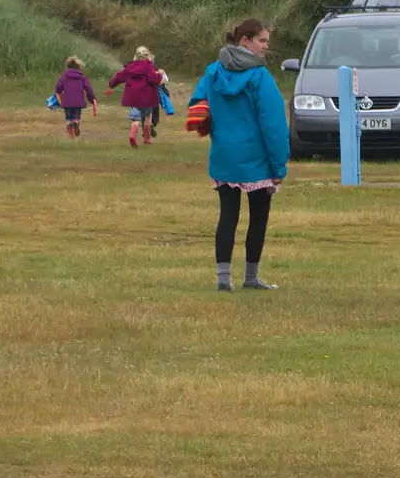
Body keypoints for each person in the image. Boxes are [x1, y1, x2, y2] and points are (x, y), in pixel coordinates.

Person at [188, 19, 290, 291]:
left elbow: (197, 106)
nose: (267, 46)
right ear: (245, 40)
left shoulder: (212, 72)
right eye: (263, 40)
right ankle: (250, 278)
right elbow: (274, 124)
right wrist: (279, 166)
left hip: (224, 155)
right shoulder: (260, 76)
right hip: (256, 159)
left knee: (228, 216)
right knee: (258, 218)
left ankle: (223, 280)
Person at [110, 46, 163, 149]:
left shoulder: (130, 66)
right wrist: (159, 75)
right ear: (148, 56)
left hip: (133, 96)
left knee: (136, 119)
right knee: (148, 116)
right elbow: (153, 79)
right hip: (147, 97)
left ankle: (132, 135)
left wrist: (112, 84)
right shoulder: (149, 66)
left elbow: (120, 76)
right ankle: (147, 138)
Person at [53, 56, 96, 140]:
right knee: (76, 116)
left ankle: (70, 134)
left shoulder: (64, 76)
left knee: (68, 117)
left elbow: (59, 87)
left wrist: (58, 92)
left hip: (67, 101)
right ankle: (76, 122)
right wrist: (92, 99)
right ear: (78, 66)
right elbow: (88, 88)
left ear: (67, 66)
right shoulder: (82, 76)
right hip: (78, 101)